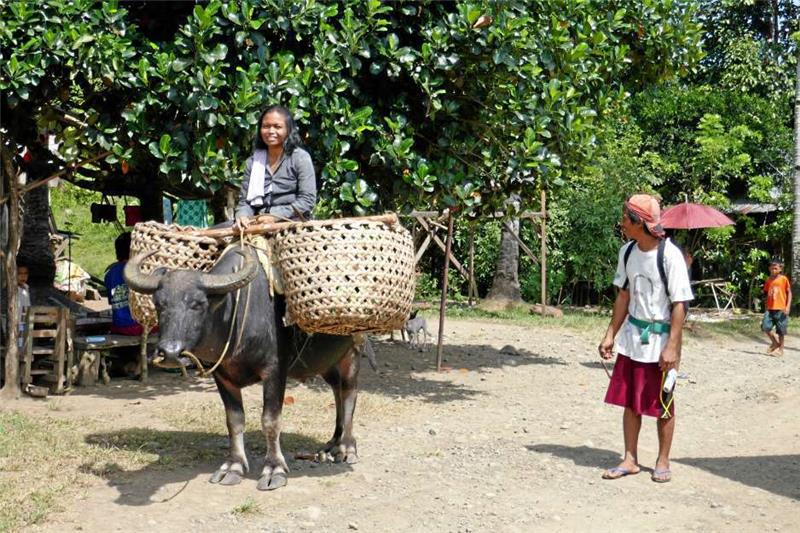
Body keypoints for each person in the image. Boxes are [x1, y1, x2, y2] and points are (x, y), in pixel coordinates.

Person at [598, 194, 693, 483]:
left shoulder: (670, 256)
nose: (622, 223)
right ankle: (630, 459)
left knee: (664, 402)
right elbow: (624, 295)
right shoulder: (627, 251)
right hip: (632, 339)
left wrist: (672, 347)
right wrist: (610, 333)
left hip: (662, 340)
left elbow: (679, 303)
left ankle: (663, 460)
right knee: (630, 401)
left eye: (626, 218)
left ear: (639, 222)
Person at [235, 105, 316, 226]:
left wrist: (276, 216)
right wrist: (242, 217)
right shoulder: (253, 162)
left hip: (292, 222)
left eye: (277, 127)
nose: (271, 131)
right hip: (257, 222)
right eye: (266, 126)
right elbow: (245, 202)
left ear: (288, 130)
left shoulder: (300, 158)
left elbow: (307, 200)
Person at [104, 232, 145, 336]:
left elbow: (111, 301)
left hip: (118, 326)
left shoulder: (110, 273)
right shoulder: (140, 270)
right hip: (139, 327)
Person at [762, 257, 791, 357]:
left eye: (775, 268)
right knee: (765, 327)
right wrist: (765, 307)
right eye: (771, 268)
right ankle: (775, 343)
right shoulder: (768, 280)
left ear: (780, 269)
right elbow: (766, 295)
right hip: (770, 309)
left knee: (781, 331)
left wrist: (787, 307)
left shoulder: (783, 279)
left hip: (781, 309)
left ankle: (781, 350)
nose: (773, 270)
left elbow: (789, 293)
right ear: (769, 268)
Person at [16, 260, 31, 348]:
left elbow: (27, 308)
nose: (23, 276)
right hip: (17, 324)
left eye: (25, 273)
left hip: (24, 323)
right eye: (20, 273)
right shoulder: (13, 290)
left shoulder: (26, 288)